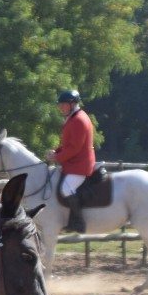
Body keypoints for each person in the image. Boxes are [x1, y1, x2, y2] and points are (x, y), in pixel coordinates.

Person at [45, 89, 95, 233]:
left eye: (63, 104)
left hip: (80, 164)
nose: (60, 107)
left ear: (72, 104)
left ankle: (78, 222)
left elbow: (75, 148)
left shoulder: (78, 120)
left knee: (66, 189)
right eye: (60, 104)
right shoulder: (73, 117)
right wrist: (57, 151)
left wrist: (57, 158)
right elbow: (68, 145)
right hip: (74, 162)